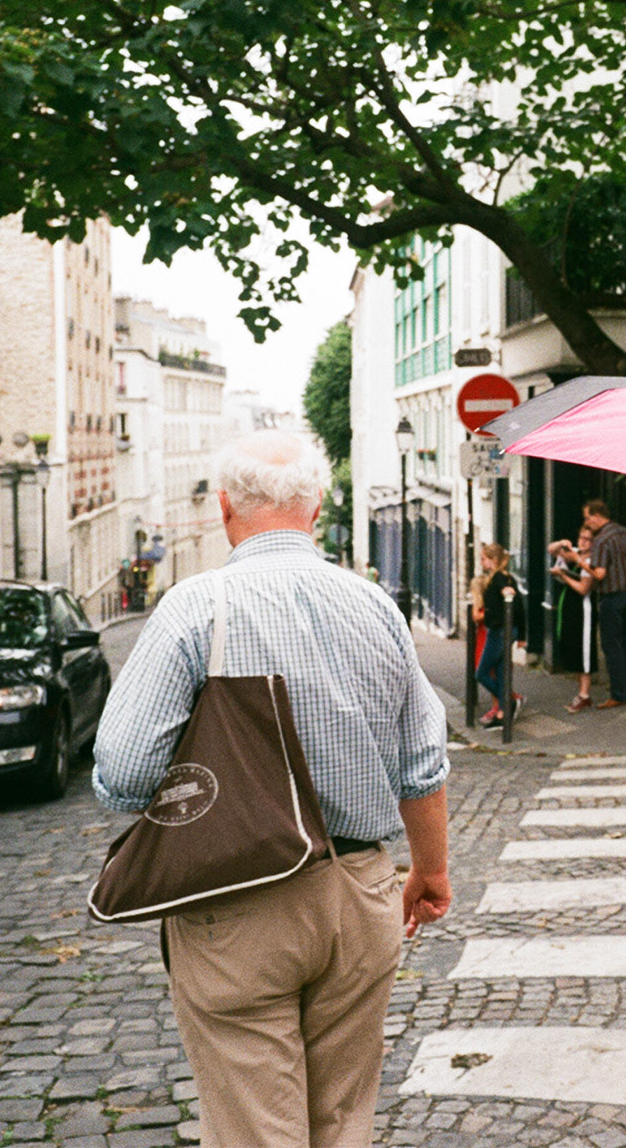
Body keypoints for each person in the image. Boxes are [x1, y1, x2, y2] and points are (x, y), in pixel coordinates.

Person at [92, 429, 452, 1148]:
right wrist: (430, 871)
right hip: (361, 891)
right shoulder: (376, 606)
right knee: (342, 1121)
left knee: (256, 1130)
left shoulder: (197, 608)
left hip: (239, 898)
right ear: (316, 507)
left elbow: (125, 774)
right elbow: (422, 763)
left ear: (225, 505)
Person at [560, 498, 626, 708]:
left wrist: (579, 561)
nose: (587, 522)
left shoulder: (602, 540)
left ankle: (618, 694)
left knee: (611, 646)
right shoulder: (623, 532)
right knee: (623, 644)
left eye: (588, 518)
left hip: (611, 595)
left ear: (596, 516)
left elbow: (600, 574)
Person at [547, 526, 597, 713]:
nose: (582, 542)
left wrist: (563, 576)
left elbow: (584, 588)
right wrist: (561, 543)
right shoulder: (575, 554)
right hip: (569, 606)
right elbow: (552, 550)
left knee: (584, 652)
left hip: (583, 609)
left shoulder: (591, 561)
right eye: (580, 537)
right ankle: (582, 693)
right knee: (574, 648)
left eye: (587, 539)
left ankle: (584, 695)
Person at [476, 542, 526, 728]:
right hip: (503, 629)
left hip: (500, 631)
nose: (481, 562)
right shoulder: (499, 577)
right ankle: (503, 714)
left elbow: (516, 604)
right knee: (500, 672)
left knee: (481, 673)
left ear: (494, 560)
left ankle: (510, 702)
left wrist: (522, 635)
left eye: (484, 559)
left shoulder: (500, 578)